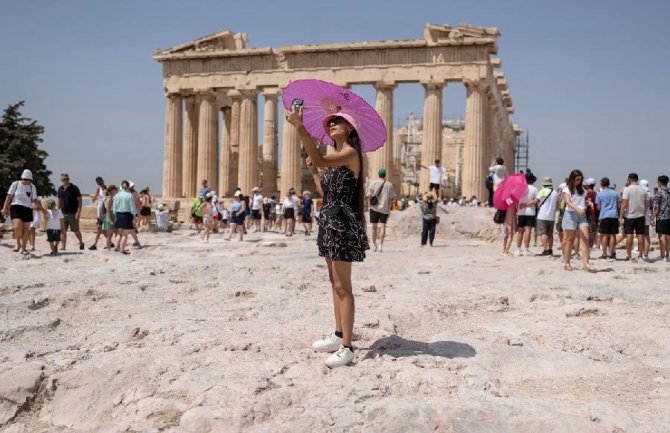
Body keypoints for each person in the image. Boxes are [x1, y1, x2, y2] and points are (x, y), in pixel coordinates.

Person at [286, 106, 369, 368]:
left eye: (338, 121)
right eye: (330, 122)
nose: (331, 124)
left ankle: (347, 347)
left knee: (344, 286)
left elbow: (323, 161)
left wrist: (300, 127)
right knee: (334, 283)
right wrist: (313, 171)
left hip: (343, 223)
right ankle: (337, 335)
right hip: (329, 220)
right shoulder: (336, 155)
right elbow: (326, 185)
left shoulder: (351, 153)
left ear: (350, 128)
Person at [1, 169, 44, 255]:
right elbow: (9, 196)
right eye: (24, 179)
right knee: (17, 227)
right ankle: (18, 243)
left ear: (30, 179)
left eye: (28, 179)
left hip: (27, 208)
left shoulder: (32, 187)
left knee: (26, 229)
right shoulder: (15, 184)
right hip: (15, 207)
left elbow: (35, 200)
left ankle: (23, 248)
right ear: (22, 178)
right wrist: (4, 208)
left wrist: (43, 210)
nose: (26, 181)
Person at [561, 169, 595, 271]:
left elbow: (583, 202)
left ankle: (586, 263)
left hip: (582, 215)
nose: (578, 181)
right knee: (569, 240)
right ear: (572, 179)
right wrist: (577, 209)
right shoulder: (566, 190)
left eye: (580, 179)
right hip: (570, 215)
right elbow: (568, 202)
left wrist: (588, 203)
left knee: (585, 238)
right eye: (576, 179)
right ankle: (567, 262)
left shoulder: (583, 191)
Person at [620, 172, 648, 261]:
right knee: (640, 235)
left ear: (629, 179)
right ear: (637, 179)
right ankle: (640, 255)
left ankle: (629, 255)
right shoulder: (643, 190)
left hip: (629, 215)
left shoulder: (627, 189)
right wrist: (644, 212)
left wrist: (620, 216)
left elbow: (624, 203)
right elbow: (647, 204)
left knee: (629, 236)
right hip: (640, 215)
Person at [367, 167, 395, 252]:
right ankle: (380, 246)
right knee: (383, 227)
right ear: (385, 174)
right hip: (385, 209)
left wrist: (369, 206)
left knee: (374, 228)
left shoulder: (373, 183)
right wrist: (389, 209)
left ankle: (374, 245)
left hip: (374, 208)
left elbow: (368, 196)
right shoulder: (389, 184)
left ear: (378, 174)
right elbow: (391, 199)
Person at [57, 173, 84, 251]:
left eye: (67, 179)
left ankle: (81, 242)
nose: (66, 181)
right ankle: (63, 247)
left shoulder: (74, 188)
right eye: (64, 179)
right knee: (63, 231)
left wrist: (78, 212)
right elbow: (59, 200)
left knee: (76, 231)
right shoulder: (60, 189)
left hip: (73, 213)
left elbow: (80, 200)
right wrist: (57, 211)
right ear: (61, 180)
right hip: (63, 213)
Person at [514, 172, 539, 256]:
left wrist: (518, 206)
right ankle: (526, 249)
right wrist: (527, 204)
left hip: (520, 212)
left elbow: (516, 199)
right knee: (528, 231)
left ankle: (518, 249)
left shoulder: (520, 188)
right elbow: (537, 200)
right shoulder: (534, 189)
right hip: (530, 212)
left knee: (520, 231)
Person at [595, 177, 620, 261]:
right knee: (612, 235)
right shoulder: (615, 193)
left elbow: (598, 207)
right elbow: (618, 205)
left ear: (601, 184)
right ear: (609, 184)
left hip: (604, 215)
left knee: (604, 235)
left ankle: (604, 253)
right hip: (614, 215)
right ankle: (611, 253)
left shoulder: (599, 194)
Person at [535, 177, 559, 256]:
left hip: (542, 216)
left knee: (544, 233)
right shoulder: (555, 193)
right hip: (552, 216)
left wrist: (527, 204)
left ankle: (545, 250)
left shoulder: (542, 191)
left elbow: (537, 201)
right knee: (550, 234)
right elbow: (557, 204)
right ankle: (550, 249)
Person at [112, 180, 136, 255]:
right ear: (128, 186)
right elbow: (132, 207)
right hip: (127, 215)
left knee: (119, 233)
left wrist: (115, 215)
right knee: (125, 234)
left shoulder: (117, 195)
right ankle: (122, 250)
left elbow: (114, 207)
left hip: (118, 214)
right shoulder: (129, 195)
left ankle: (116, 247)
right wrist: (134, 216)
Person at [651, 175, 670, 262]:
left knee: (662, 236)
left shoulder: (658, 193)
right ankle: (667, 255)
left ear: (660, 182)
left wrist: (652, 217)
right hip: (669, 217)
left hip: (661, 217)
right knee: (668, 236)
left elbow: (656, 208)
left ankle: (662, 256)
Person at [89, 176, 107, 250]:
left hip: (105, 210)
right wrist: (96, 197)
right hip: (100, 210)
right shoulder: (98, 189)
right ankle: (109, 242)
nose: (100, 183)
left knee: (101, 228)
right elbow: (93, 199)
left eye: (101, 181)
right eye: (99, 182)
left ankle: (96, 244)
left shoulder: (107, 188)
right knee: (100, 228)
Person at [101, 185, 117, 250]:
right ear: (112, 190)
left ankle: (111, 248)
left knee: (111, 235)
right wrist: (110, 220)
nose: (116, 191)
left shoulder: (108, 198)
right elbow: (108, 209)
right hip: (110, 217)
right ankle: (108, 248)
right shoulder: (110, 198)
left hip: (109, 216)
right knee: (110, 235)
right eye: (115, 189)